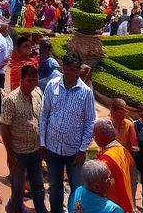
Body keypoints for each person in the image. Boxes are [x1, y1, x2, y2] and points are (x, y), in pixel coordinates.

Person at [41, 49, 97, 213]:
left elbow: (89, 122)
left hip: (74, 152)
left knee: (77, 188)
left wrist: (82, 149)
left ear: (79, 69)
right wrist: (42, 143)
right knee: (55, 187)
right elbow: (44, 115)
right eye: (66, 68)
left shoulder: (86, 92)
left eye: (73, 69)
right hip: (52, 148)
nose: (69, 72)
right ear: (63, 67)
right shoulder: (53, 85)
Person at [1, 62, 46, 213]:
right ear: (21, 79)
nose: (33, 84)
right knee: (18, 189)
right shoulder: (11, 100)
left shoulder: (38, 93)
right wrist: (10, 154)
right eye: (29, 81)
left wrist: (42, 145)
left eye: (35, 80)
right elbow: (5, 128)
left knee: (38, 185)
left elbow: (42, 120)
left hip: (35, 151)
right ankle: (13, 208)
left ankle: (40, 209)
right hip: (18, 153)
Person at [94, 118, 136, 213]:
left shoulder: (105, 160)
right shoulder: (122, 150)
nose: (94, 138)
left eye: (95, 135)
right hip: (127, 203)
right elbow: (132, 168)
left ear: (101, 136)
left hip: (114, 206)